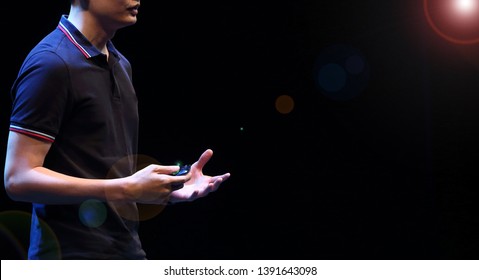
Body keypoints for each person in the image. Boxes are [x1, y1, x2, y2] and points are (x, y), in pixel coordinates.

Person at [3, 0, 230, 260]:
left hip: (125, 251)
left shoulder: (121, 64)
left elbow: (102, 169)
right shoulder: (51, 64)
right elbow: (18, 178)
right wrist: (125, 188)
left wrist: (167, 188)